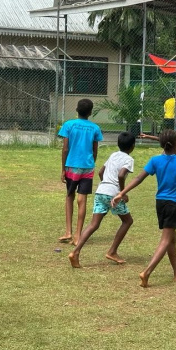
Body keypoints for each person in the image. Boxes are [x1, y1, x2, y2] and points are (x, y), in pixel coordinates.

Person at [112, 130, 176, 288]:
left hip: (160, 203)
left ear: (162, 145)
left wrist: (122, 192)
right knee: (166, 239)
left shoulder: (155, 160)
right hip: (173, 204)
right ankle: (146, 272)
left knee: (172, 238)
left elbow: (138, 178)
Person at [68, 132, 136, 268]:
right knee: (128, 221)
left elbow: (100, 172)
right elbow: (122, 175)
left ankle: (75, 252)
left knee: (93, 224)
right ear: (133, 146)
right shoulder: (128, 159)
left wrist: (105, 185)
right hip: (113, 194)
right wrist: (122, 193)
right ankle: (112, 251)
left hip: (101, 190)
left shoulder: (113, 155)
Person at [58, 98, 103, 245]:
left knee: (70, 196)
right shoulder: (95, 128)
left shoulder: (68, 125)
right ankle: (78, 235)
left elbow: (65, 149)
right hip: (87, 167)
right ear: (90, 112)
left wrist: (63, 169)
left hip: (72, 166)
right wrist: (91, 163)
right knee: (82, 200)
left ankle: (68, 232)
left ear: (77, 110)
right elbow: (95, 150)